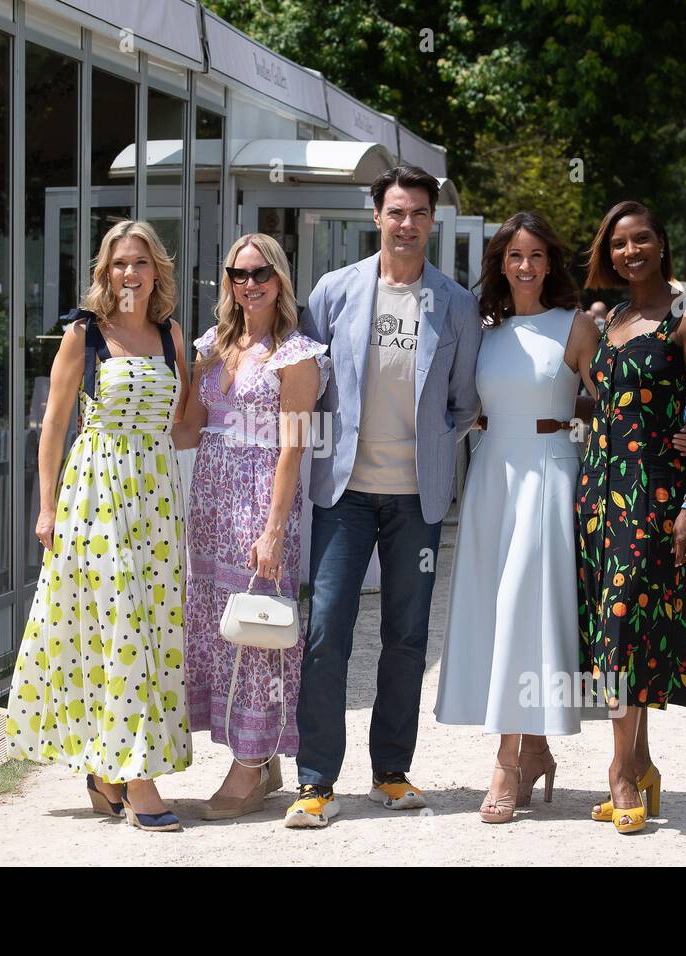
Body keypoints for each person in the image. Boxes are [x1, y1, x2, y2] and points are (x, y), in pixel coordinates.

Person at [288, 164, 482, 828]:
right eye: (396, 211)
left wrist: (427, 450)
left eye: (419, 213)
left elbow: (462, 403)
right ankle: (315, 781)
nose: (407, 223)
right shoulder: (334, 293)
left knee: (405, 637)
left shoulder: (455, 304)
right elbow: (304, 382)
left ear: (432, 220)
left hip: (415, 501)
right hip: (343, 495)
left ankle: (391, 772)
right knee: (324, 634)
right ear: (377, 216)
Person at [5, 220, 193, 832]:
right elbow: (53, 426)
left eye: (141, 262)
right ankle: (138, 779)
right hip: (97, 495)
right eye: (119, 264)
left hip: (155, 501)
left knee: (150, 629)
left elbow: (184, 426)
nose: (130, 274)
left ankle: (106, 773)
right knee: (119, 631)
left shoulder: (172, 337)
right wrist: (46, 506)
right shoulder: (83, 336)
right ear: (104, 273)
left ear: (156, 270)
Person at [434, 211, 599, 823]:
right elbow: (459, 400)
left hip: (552, 469)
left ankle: (507, 761)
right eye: (513, 256)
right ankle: (534, 749)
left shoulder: (576, 326)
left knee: (527, 604)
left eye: (535, 255)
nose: (524, 265)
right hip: (492, 473)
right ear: (500, 264)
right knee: (499, 608)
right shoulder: (483, 330)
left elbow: (612, 403)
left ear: (550, 262)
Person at [577, 200, 686, 834]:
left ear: (661, 245)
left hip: (655, 498)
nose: (628, 252)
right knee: (615, 627)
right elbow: (600, 403)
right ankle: (641, 762)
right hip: (598, 494)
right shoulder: (608, 318)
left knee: (626, 627)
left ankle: (619, 775)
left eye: (640, 240)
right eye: (617, 243)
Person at [174, 234, 328, 820]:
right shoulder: (212, 345)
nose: (250, 282)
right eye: (238, 273)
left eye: (261, 272)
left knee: (259, 628)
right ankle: (260, 763)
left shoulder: (299, 355)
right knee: (219, 626)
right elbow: (187, 431)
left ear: (280, 279)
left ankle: (249, 762)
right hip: (210, 498)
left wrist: (273, 528)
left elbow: (293, 448)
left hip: (263, 498)